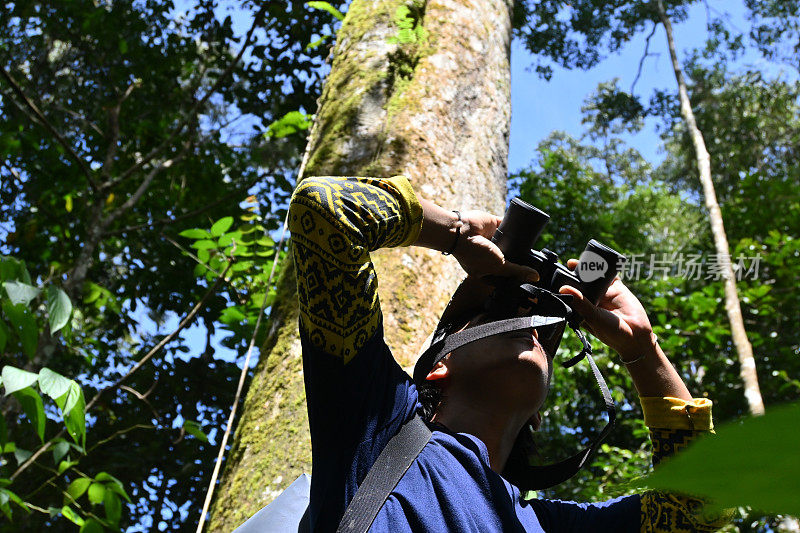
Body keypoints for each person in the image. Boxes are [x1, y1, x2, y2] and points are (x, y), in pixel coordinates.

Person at [288, 175, 724, 532]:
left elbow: (701, 507)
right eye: (497, 315)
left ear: (538, 414)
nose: (528, 328)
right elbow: (327, 211)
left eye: (540, 331)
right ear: (438, 368)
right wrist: (456, 234)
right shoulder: (375, 422)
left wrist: (643, 349)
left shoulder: (543, 525)